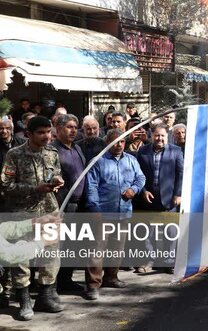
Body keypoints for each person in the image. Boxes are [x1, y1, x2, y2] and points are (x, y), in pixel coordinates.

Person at [0, 116, 65, 320]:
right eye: (41, 132)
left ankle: (45, 296)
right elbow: (6, 186)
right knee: (22, 257)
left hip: (49, 210)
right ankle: (24, 300)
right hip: (22, 213)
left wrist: (56, 180)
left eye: (48, 132)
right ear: (29, 133)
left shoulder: (52, 153)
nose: (46, 136)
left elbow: (54, 174)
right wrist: (35, 188)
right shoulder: (14, 155)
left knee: (51, 253)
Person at [84, 129, 146, 300]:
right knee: (97, 250)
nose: (119, 145)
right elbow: (91, 187)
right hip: (103, 213)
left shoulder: (131, 160)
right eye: (115, 141)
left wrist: (134, 190)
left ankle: (111, 277)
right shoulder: (97, 162)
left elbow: (140, 178)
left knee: (116, 248)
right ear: (107, 142)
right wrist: (95, 210)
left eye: (122, 141)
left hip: (123, 212)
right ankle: (92, 285)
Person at [135, 123, 183, 273]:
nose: (159, 138)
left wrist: (178, 194)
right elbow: (137, 174)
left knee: (171, 232)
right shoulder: (142, 151)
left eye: (162, 135)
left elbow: (181, 174)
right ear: (151, 136)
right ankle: (150, 260)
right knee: (148, 232)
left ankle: (169, 262)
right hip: (148, 197)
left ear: (167, 137)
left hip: (169, 199)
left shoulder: (176, 151)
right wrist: (143, 191)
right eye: (157, 135)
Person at [50, 114, 87, 293]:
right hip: (60, 206)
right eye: (69, 127)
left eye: (75, 127)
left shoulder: (77, 148)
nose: (73, 130)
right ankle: (51, 284)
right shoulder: (52, 151)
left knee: (71, 245)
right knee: (58, 246)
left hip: (77, 206)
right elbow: (49, 175)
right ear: (58, 130)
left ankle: (66, 280)